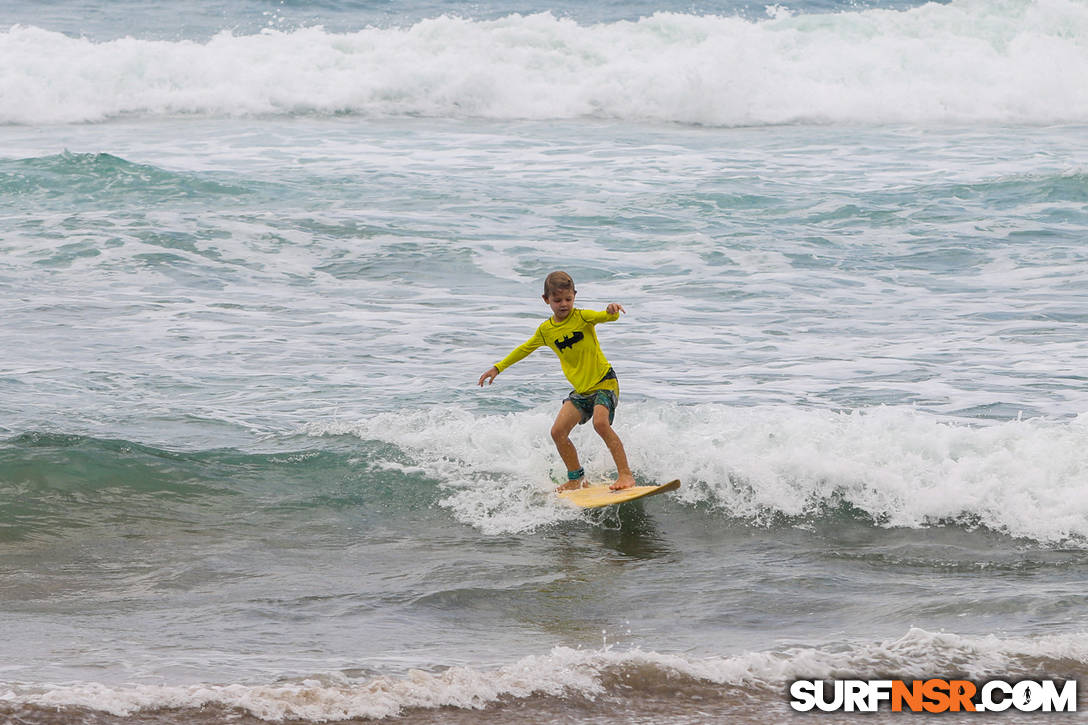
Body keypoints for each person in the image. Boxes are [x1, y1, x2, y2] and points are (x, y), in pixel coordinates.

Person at [478, 270, 636, 492]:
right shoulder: (546, 330)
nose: (564, 304)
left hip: (604, 381)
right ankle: (576, 479)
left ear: (574, 296)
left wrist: (612, 310)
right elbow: (525, 349)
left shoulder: (582, 317)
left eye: (568, 299)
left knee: (600, 423)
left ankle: (626, 475)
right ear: (546, 300)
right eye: (557, 300)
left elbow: (606, 316)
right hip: (581, 390)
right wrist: (497, 367)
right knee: (557, 432)